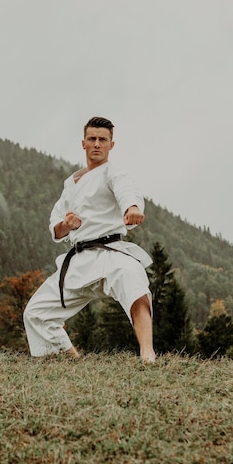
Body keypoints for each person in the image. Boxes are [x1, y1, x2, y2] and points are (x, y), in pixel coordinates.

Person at [23, 116, 155, 362]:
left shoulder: (114, 173)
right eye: (92, 139)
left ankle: (147, 353)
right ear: (83, 143)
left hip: (110, 252)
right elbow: (57, 226)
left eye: (102, 140)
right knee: (35, 313)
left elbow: (127, 190)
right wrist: (66, 224)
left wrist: (132, 208)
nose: (97, 144)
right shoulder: (71, 183)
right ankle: (71, 359)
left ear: (111, 145)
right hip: (79, 259)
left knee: (136, 285)